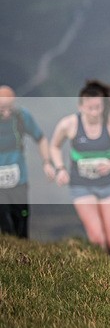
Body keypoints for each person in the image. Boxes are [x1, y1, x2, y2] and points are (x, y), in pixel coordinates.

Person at [49, 81, 110, 255]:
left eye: (98, 107)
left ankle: (107, 263)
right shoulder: (69, 124)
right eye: (90, 108)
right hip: (80, 185)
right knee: (97, 239)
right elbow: (54, 146)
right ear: (80, 106)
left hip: (107, 185)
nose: (95, 112)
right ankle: (101, 275)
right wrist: (60, 168)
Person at [0, 85, 55, 238]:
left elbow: (41, 138)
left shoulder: (21, 116)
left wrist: (46, 162)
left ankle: (23, 253)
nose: (5, 112)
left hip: (19, 179)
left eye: (8, 107)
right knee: (4, 219)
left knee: (21, 217)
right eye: (2, 108)